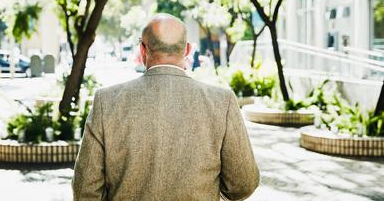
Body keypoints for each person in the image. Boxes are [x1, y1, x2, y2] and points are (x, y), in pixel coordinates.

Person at [72, 13, 259, 201]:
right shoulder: (222, 102)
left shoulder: (107, 101)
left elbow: (85, 190)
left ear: (142, 51)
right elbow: (243, 185)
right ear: (187, 50)